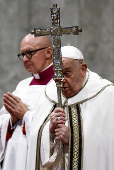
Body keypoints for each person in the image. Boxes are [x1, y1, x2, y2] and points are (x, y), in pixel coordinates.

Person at [26, 45, 114, 170]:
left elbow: (109, 143)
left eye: (67, 73)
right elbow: (34, 138)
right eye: (57, 74)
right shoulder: (49, 93)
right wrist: (49, 132)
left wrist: (74, 138)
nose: (61, 80)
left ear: (83, 69)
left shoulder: (107, 94)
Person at [0, 34, 54, 170]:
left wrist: (25, 115)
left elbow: (60, 126)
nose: (25, 59)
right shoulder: (22, 85)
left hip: (37, 161)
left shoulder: (61, 86)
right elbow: (3, 120)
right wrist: (11, 119)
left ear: (48, 52)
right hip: (12, 159)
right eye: (22, 54)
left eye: (29, 53)